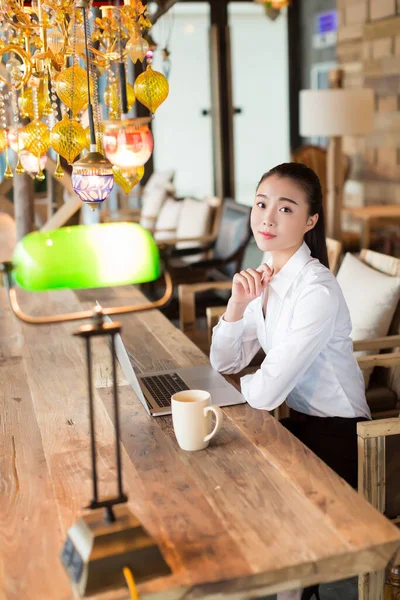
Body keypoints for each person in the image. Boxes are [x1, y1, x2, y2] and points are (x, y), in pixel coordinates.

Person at [209, 162, 371, 600]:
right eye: (261, 204)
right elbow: (224, 359)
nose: (267, 217)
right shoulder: (266, 274)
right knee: (220, 474)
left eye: (285, 208)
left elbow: (264, 392)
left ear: (310, 221)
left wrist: (219, 395)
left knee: (240, 481)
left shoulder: (315, 289)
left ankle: (295, 589)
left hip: (342, 436)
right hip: (297, 421)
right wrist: (237, 306)